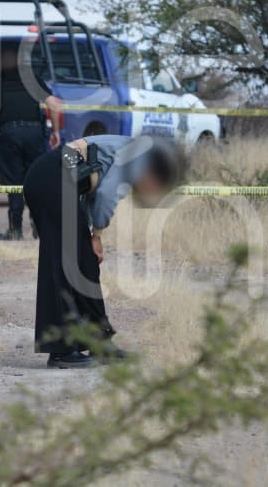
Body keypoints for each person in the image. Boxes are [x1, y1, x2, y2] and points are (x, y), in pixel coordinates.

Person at [23, 134, 179, 369]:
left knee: (85, 263)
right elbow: (106, 195)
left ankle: (100, 342)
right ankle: (60, 350)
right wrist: (96, 235)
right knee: (61, 266)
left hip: (55, 179)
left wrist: (89, 235)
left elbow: (86, 190)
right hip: (51, 178)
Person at [0, 41, 62, 240]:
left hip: (9, 135)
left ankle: (15, 230)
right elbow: (54, 104)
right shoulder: (32, 79)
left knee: (13, 182)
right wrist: (56, 132)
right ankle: (38, 227)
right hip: (35, 133)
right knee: (36, 179)